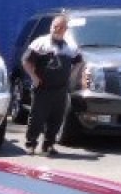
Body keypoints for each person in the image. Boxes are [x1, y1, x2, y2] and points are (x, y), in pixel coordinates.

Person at [21, 14, 82, 156]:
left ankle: (49, 145)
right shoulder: (40, 43)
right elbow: (26, 61)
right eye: (55, 26)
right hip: (42, 88)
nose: (57, 29)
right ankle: (31, 144)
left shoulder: (71, 47)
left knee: (56, 118)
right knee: (37, 117)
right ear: (51, 27)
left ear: (65, 29)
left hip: (60, 89)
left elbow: (79, 61)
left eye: (61, 27)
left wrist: (71, 75)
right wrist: (34, 77)